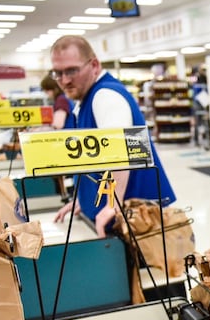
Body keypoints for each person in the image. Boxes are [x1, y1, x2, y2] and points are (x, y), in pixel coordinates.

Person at [49, 35, 176, 238]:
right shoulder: (89, 97)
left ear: (94, 65)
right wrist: (84, 198)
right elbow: (99, 157)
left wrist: (112, 205)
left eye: (72, 70)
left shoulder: (105, 96)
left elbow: (123, 152)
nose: (64, 80)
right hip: (129, 217)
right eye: (58, 73)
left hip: (138, 222)